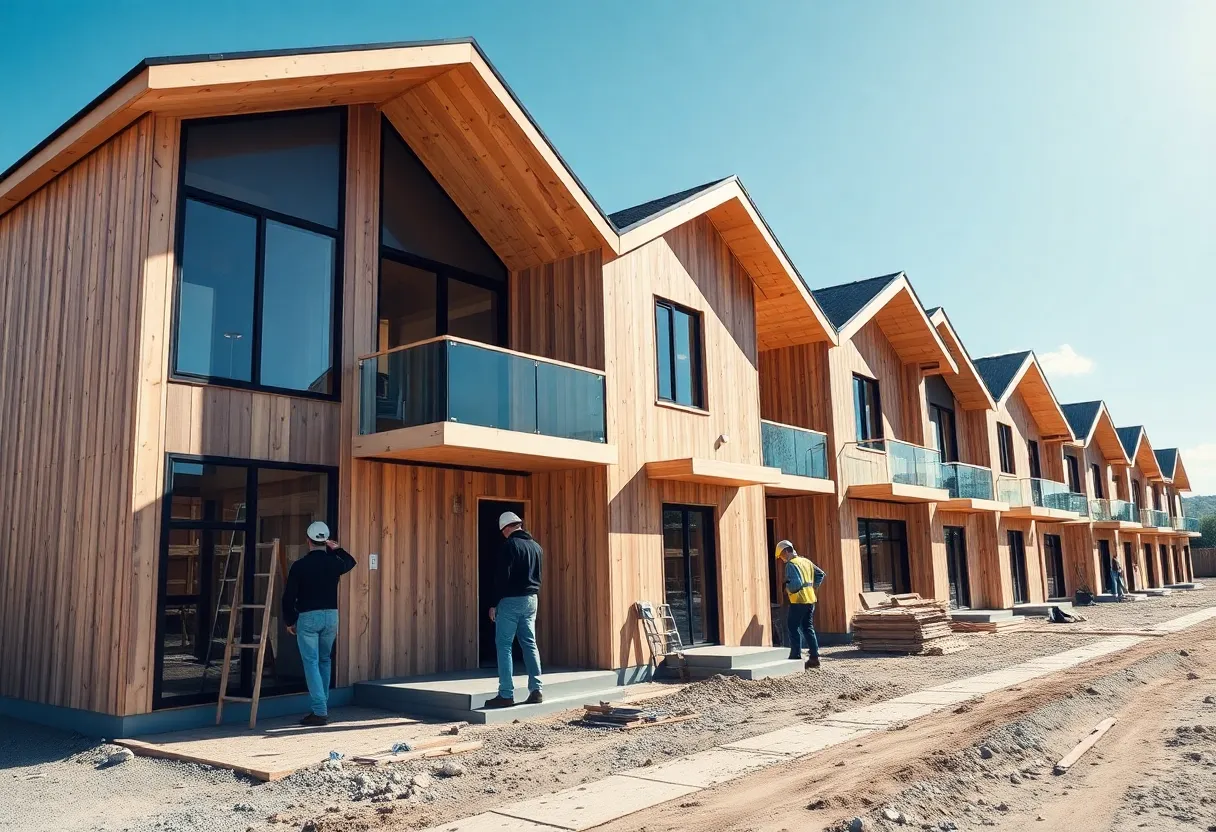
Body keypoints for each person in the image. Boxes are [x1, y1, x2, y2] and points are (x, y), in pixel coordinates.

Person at [283, 522, 357, 726]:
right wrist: (337, 548)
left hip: (308, 617)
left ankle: (319, 710)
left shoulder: (299, 565)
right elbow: (351, 562)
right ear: (325, 541)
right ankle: (322, 706)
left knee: (311, 662)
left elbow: (289, 596)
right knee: (324, 660)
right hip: (331, 616)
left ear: (308, 541)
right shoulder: (334, 562)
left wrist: (289, 620)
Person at [483, 512, 543, 708]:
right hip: (532, 600)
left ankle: (506, 694)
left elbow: (502, 577)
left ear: (506, 528)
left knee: (504, 645)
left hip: (510, 601)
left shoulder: (510, 546)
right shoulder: (536, 547)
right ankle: (536, 690)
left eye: (503, 532)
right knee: (530, 644)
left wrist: (494, 603)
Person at [775, 539, 826, 669]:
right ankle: (814, 658)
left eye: (781, 555)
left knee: (792, 627)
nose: (781, 558)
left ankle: (795, 655)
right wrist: (813, 587)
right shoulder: (806, 561)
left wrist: (786, 586)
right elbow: (820, 574)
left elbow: (795, 585)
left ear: (787, 551)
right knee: (808, 628)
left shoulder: (791, 564)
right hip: (810, 599)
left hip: (798, 601)